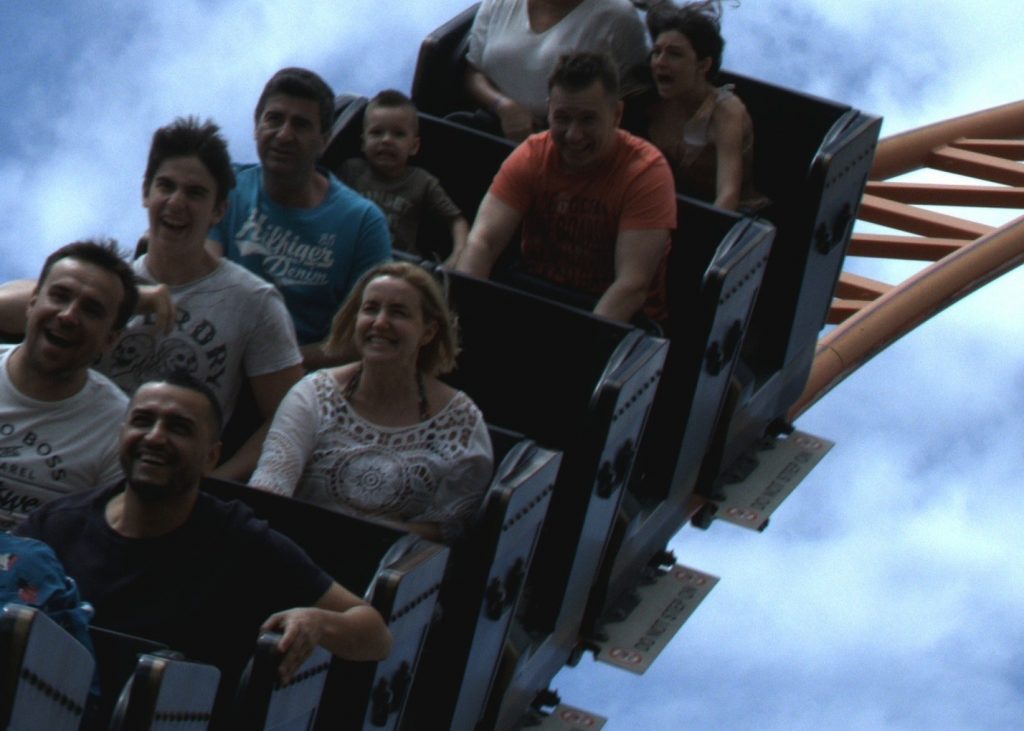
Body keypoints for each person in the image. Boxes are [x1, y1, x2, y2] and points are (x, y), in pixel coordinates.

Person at [15, 373, 392, 725]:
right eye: (143, 421)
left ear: (211, 456)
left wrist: (317, 623)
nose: (155, 438)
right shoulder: (55, 527)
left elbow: (375, 634)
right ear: (121, 435)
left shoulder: (243, 541)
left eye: (178, 428)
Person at [91, 117, 304, 481]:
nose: (176, 202)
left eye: (195, 193)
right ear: (145, 193)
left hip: (173, 483)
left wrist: (218, 482)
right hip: (82, 467)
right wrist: (127, 298)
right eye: (166, 186)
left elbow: (292, 416)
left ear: (219, 210)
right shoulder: (103, 284)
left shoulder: (253, 301)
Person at [250, 262, 493, 544]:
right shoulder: (313, 394)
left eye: (398, 312)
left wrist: (362, 535)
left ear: (428, 332)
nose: (380, 322)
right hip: (295, 550)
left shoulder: (461, 421)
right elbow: (270, 488)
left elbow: (448, 530)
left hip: (398, 564)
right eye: (370, 309)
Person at [452, 51, 677, 324]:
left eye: (588, 120)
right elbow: (483, 242)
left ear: (616, 114)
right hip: (538, 296)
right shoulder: (532, 155)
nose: (573, 135)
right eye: (562, 118)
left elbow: (631, 286)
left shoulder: (645, 173)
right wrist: (460, 314)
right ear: (549, 111)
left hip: (619, 320)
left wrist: (583, 342)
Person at [209, 67, 392, 368]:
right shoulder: (224, 187)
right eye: (274, 119)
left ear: (324, 140)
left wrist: (274, 363)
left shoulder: (362, 222)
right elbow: (200, 277)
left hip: (304, 377)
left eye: (301, 125)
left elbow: (361, 338)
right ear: (256, 126)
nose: (284, 135)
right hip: (214, 354)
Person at [0, 240, 138, 528]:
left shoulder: (117, 429)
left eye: (91, 310)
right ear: (32, 302)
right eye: (60, 296)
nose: (68, 316)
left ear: (111, 339)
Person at [461, 0, 649, 141]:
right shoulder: (498, 3)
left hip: (572, 145)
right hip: (491, 128)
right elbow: (474, 72)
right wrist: (504, 106)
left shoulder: (618, 17)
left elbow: (635, 98)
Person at [642, 0, 767, 211]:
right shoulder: (650, 99)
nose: (660, 62)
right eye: (657, 52)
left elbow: (728, 195)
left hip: (734, 217)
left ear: (703, 64)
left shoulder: (725, 111)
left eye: (674, 54)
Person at [339, 89, 469, 259]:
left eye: (398, 134)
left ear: (414, 146)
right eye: (377, 132)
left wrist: (458, 255)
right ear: (363, 142)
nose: (386, 140)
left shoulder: (422, 181)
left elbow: (457, 221)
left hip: (398, 265)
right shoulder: (351, 170)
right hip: (349, 255)